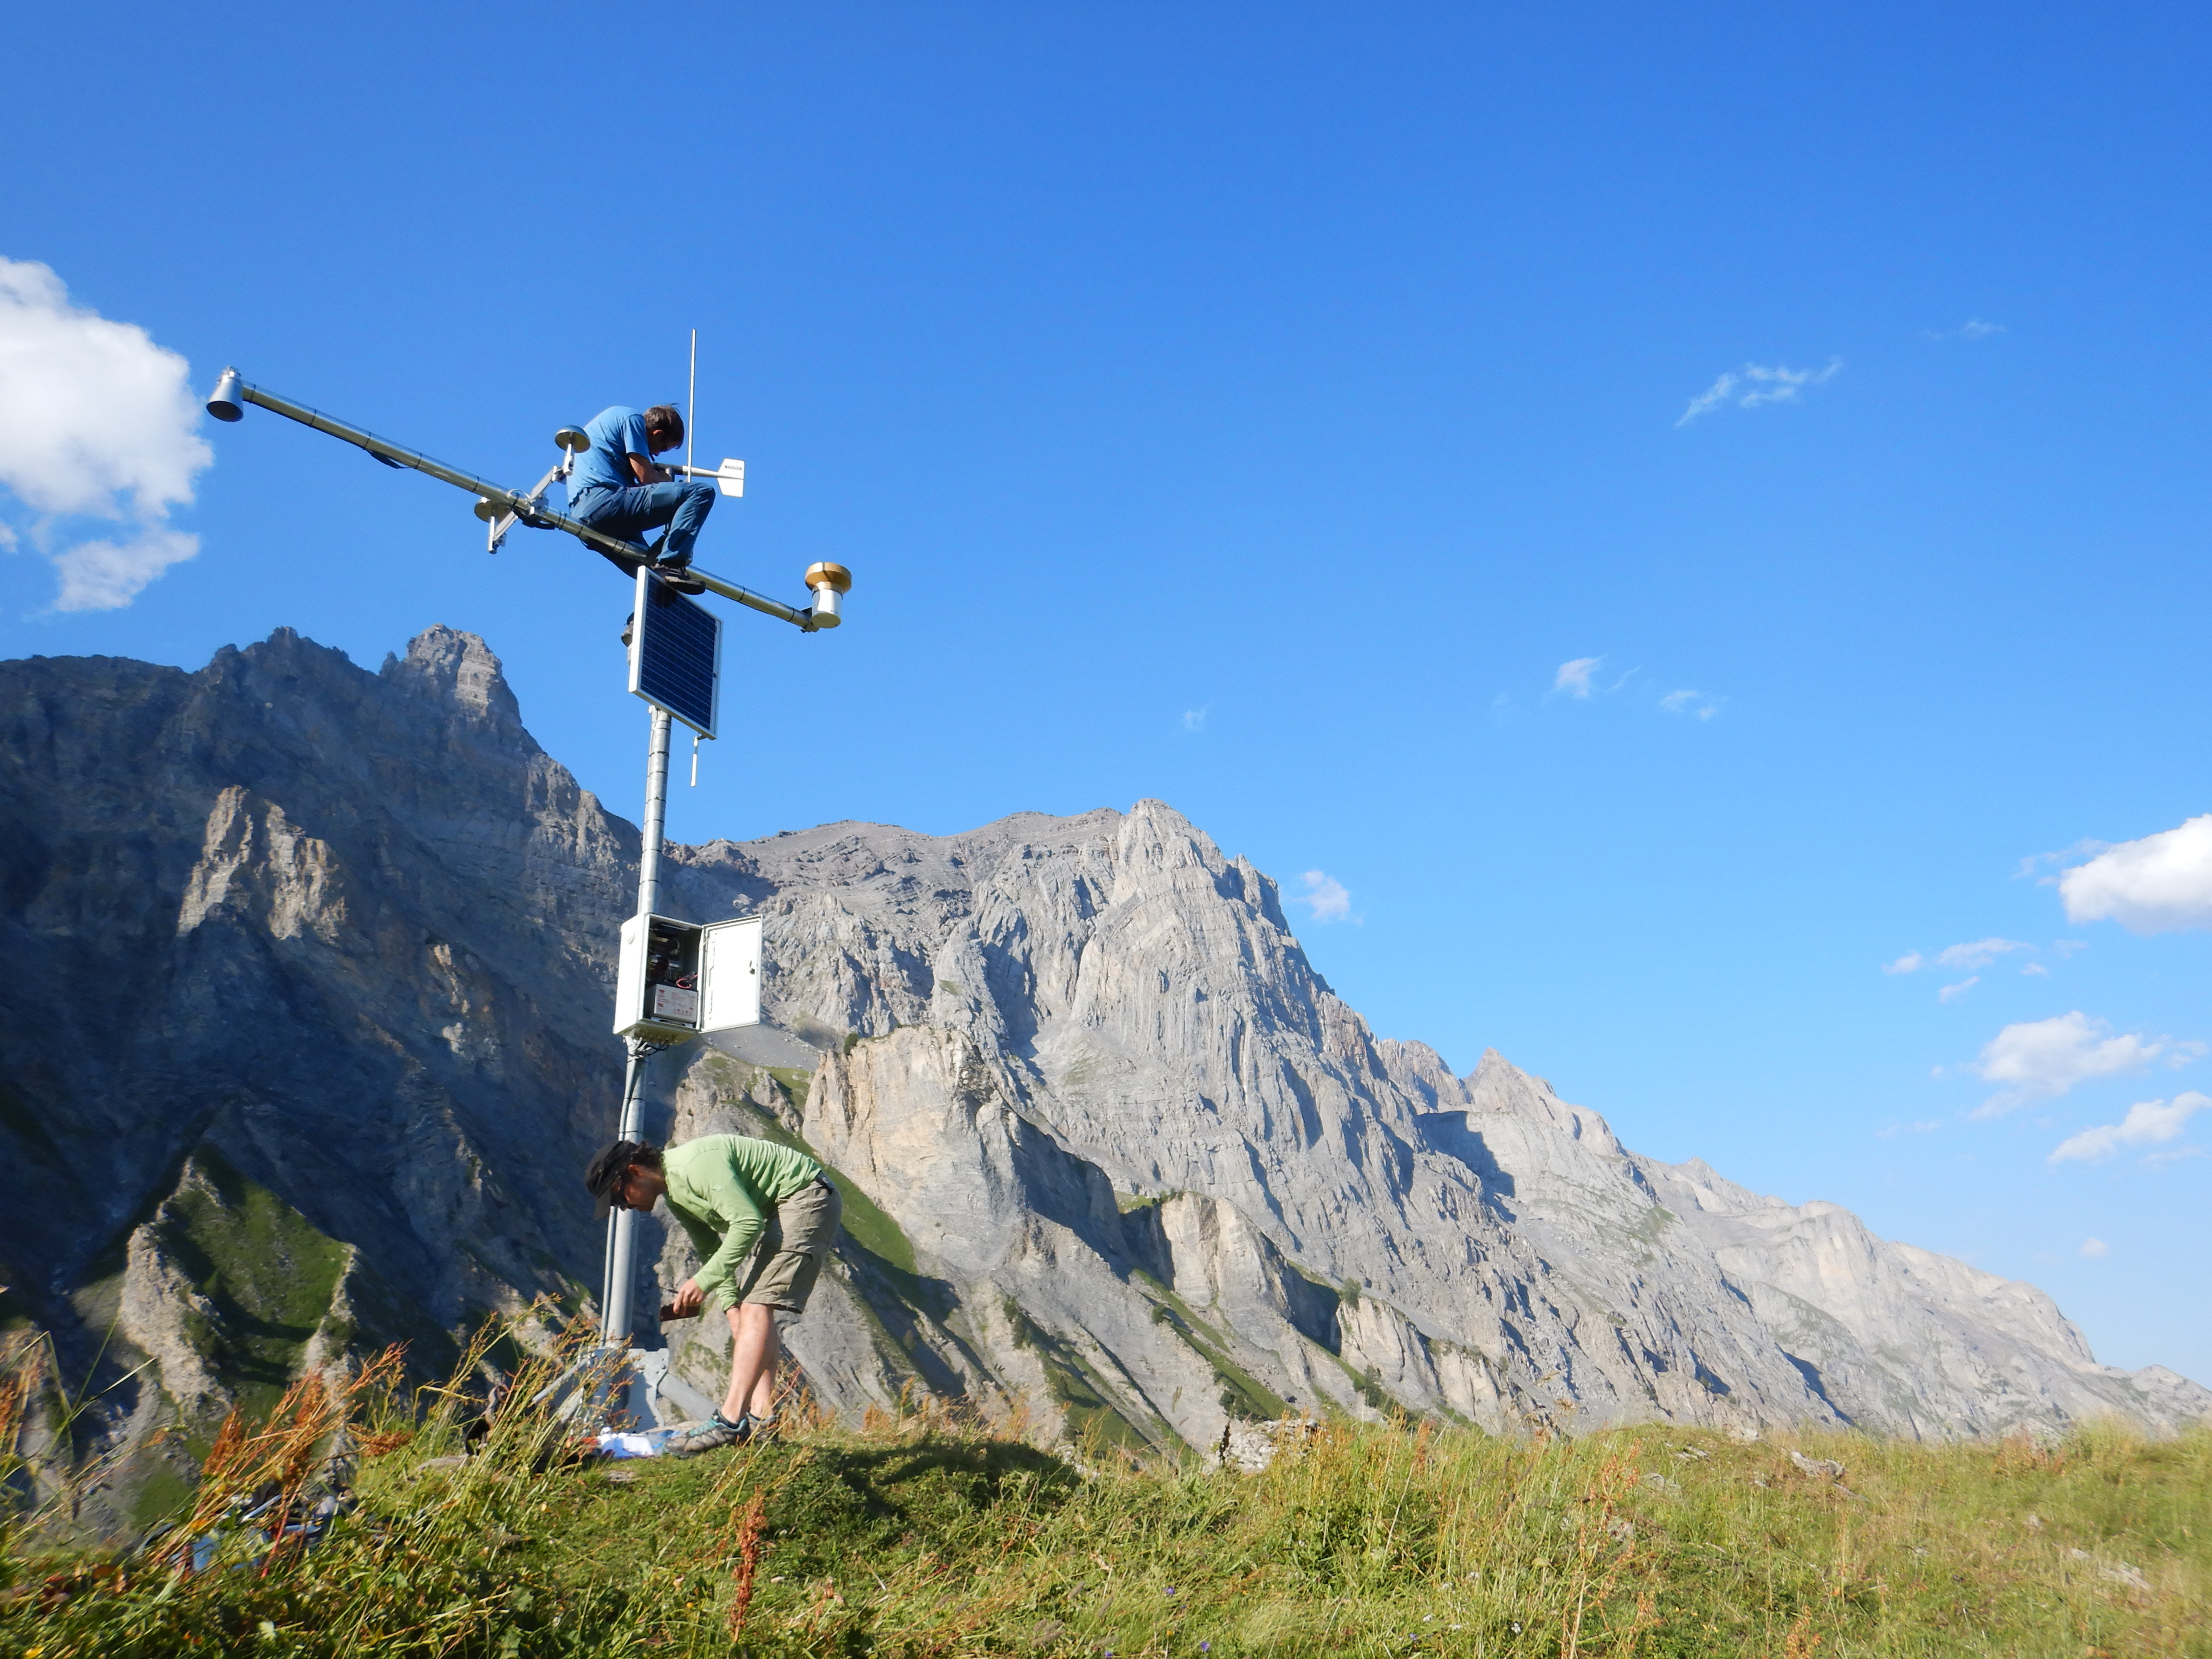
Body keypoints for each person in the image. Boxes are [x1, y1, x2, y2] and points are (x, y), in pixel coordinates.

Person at [584, 1134, 843, 1455]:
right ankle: (763, 1419)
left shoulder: (695, 1166)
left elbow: (747, 1224)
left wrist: (703, 1282)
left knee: (757, 1307)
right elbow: (710, 1248)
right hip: (789, 1203)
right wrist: (730, 1306)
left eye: (619, 1197)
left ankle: (731, 1420)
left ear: (635, 1171)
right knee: (750, 1312)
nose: (624, 1207)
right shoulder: (677, 1194)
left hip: (806, 1196)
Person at [566, 404, 714, 581]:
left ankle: (664, 566)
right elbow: (647, 479)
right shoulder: (632, 419)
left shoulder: (614, 443)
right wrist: (665, 482)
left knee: (654, 578)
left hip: (587, 518)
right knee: (700, 493)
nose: (658, 454)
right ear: (657, 434)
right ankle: (672, 562)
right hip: (604, 502)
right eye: (663, 448)